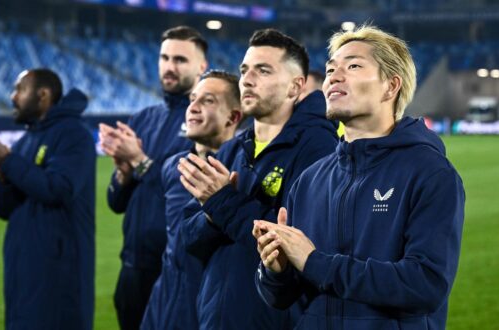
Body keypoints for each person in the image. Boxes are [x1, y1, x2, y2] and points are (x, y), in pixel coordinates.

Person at [253, 24, 466, 330]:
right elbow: (283, 299)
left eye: (352, 66)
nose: (334, 77)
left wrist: (315, 263)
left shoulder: (430, 173)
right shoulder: (310, 180)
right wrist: (276, 271)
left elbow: (426, 284)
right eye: (330, 70)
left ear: (391, 87)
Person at [177, 28, 338, 329]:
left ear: (295, 87)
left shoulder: (318, 148)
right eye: (244, 70)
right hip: (216, 318)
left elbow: (298, 242)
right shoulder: (231, 149)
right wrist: (213, 216)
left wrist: (221, 201)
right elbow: (187, 238)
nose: (247, 80)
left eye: (263, 71)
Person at [99, 25, 208, 330]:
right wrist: (122, 173)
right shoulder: (144, 118)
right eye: (165, 57)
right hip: (131, 267)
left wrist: (140, 161)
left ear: (201, 67)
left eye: (180, 60)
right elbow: (116, 202)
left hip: (174, 270)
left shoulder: (205, 123)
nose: (170, 66)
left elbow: (188, 195)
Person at [0, 69, 96, 329]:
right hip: (23, 271)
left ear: (43, 95)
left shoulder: (74, 135)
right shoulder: (24, 141)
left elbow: (58, 188)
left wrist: (8, 161)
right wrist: (3, 176)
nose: (13, 96)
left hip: (58, 275)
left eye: (20, 89)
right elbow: (1, 208)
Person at [140, 70, 242, 330]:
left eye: (208, 101)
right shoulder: (173, 166)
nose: (193, 108)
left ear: (233, 116)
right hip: (163, 303)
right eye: (193, 99)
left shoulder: (243, 174)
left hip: (208, 309)